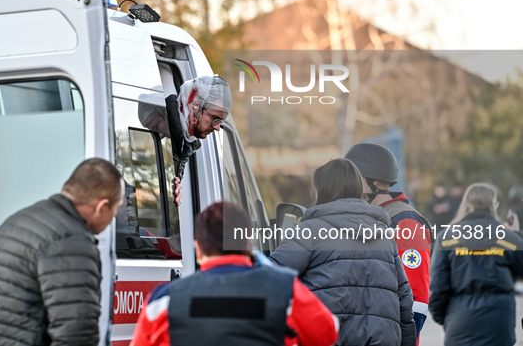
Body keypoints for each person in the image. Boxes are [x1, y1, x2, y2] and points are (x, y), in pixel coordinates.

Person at [0, 158, 124, 346]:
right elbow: (76, 333)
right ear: (101, 207)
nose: (111, 220)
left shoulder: (23, 219)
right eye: (115, 211)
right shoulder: (71, 239)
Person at [132, 202, 339, 346]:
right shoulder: (285, 290)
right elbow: (328, 333)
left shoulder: (163, 301)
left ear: (198, 248)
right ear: (247, 243)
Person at [269, 158, 417, 346]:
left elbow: (270, 277)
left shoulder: (310, 231)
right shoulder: (385, 236)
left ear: (322, 190)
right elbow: (404, 299)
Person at [345, 143, 431, 340]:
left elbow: (416, 299)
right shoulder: (362, 215)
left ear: (374, 182)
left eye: (353, 178)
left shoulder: (405, 221)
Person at [429, 183, 523, 346]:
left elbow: (437, 286)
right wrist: (517, 234)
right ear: (492, 205)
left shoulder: (446, 238)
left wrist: (441, 317)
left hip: (460, 321)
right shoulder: (508, 238)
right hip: (499, 323)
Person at [138, 69, 232, 206]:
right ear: (195, 108)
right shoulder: (179, 143)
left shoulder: (184, 143)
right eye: (215, 119)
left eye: (156, 127)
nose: (217, 127)